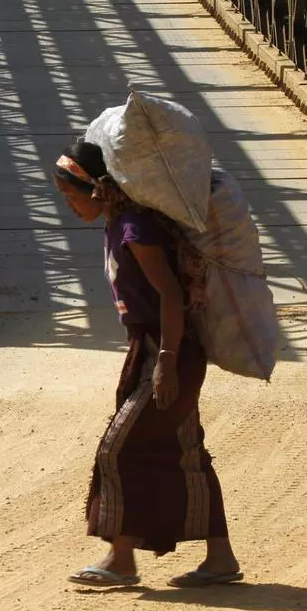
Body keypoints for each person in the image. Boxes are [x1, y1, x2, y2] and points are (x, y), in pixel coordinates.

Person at [52, 138, 242, 588]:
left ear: (96, 188)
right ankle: (220, 559)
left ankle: (121, 559)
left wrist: (167, 363)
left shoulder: (135, 230)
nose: (69, 206)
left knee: (120, 448)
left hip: (168, 349)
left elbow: (171, 297)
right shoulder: (120, 225)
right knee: (185, 451)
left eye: (70, 195)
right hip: (153, 348)